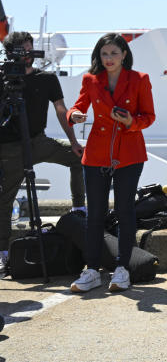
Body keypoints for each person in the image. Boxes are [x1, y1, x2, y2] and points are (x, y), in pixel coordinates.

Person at [66, 33, 155, 293]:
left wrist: (130, 121)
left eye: (114, 53)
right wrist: (76, 115)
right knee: (94, 214)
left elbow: (148, 116)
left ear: (124, 54)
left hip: (129, 153)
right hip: (96, 154)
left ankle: (122, 268)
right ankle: (92, 269)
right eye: (104, 54)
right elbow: (76, 107)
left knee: (126, 211)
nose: (108, 59)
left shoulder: (140, 79)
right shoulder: (90, 79)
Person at [0, 31, 86, 277]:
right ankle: (3, 254)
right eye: (22, 51)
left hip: (37, 141)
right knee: (4, 202)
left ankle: (79, 209)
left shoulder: (46, 79)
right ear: (10, 53)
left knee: (79, 158)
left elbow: (61, 110)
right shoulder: (1, 77)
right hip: (9, 148)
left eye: (30, 49)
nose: (28, 55)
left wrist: (73, 141)